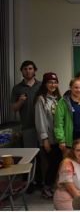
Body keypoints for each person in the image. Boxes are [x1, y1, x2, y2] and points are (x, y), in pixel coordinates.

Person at [11, 60, 42, 192]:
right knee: (29, 157)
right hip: (28, 127)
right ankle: (28, 184)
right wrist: (20, 101)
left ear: (34, 70)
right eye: (25, 69)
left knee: (41, 156)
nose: (28, 71)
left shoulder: (41, 86)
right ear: (22, 71)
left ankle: (40, 181)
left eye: (30, 68)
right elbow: (14, 108)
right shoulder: (17, 88)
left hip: (42, 127)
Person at [34, 72, 63, 199]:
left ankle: (51, 186)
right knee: (52, 164)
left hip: (58, 138)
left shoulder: (58, 99)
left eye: (55, 82)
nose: (53, 85)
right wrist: (44, 139)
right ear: (45, 84)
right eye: (50, 82)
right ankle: (46, 188)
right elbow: (40, 120)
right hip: (48, 139)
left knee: (57, 164)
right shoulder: (41, 99)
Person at [54, 78, 80, 158]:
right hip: (69, 140)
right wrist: (61, 139)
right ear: (70, 87)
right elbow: (59, 122)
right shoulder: (63, 102)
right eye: (76, 87)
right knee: (68, 165)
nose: (78, 90)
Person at [53, 139, 80, 210]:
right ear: (73, 151)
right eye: (78, 150)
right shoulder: (67, 163)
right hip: (66, 197)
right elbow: (70, 187)